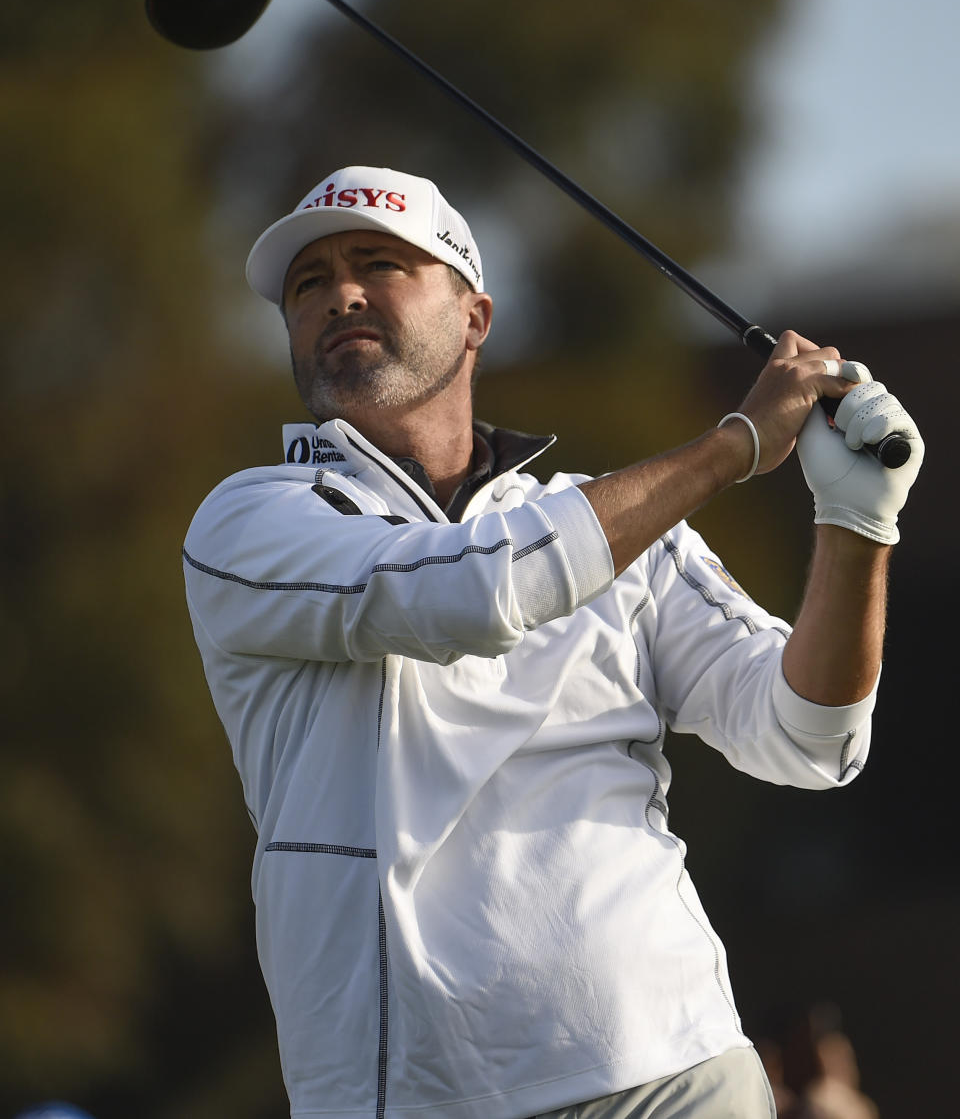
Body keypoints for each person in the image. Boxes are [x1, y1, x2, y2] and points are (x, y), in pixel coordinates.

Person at [183, 164, 923, 1119]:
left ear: (475, 317)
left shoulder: (621, 528)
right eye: (308, 283)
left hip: (675, 1065)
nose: (342, 293)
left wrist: (856, 526)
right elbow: (472, 585)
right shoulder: (254, 520)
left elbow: (813, 739)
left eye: (377, 262)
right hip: (409, 1098)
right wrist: (735, 442)